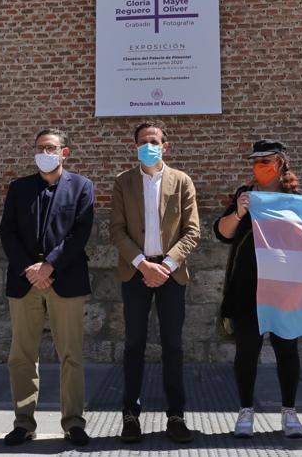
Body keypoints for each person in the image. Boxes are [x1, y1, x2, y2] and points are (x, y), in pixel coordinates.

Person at [108, 120, 201, 444]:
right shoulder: (123, 182)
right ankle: (130, 416)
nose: (149, 146)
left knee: (172, 346)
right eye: (143, 142)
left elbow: (193, 231)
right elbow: (116, 230)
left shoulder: (182, 181)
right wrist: (143, 264)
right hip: (136, 272)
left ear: (165, 146)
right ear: (135, 147)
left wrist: (167, 264)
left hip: (171, 274)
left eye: (154, 141)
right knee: (134, 345)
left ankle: (175, 415)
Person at [0, 129, 94, 447]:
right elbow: (7, 232)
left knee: (71, 355)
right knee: (21, 356)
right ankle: (23, 422)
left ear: (64, 152)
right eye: (40, 147)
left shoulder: (81, 186)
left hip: (65, 280)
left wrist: (50, 265)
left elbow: (80, 234)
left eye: (51, 148)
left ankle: (74, 422)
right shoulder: (19, 188)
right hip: (25, 281)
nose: (44, 152)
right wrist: (31, 269)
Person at [214, 139, 302, 439]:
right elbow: (222, 233)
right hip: (247, 288)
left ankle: (289, 412)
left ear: (280, 163)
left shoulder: (297, 199)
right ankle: (245, 412)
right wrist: (239, 212)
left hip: (284, 289)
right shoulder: (246, 195)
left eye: (265, 161)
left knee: (287, 350)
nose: (259, 166)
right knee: (247, 351)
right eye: (255, 161)